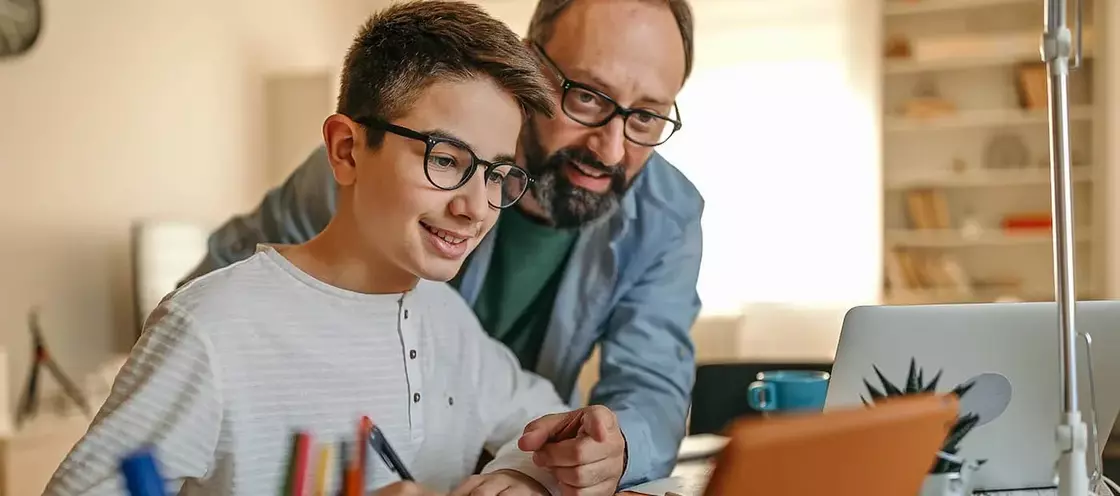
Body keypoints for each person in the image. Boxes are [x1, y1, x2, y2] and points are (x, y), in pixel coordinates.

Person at [44, 2, 626, 495]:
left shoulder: (445, 319)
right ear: (347, 150)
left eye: (497, 175)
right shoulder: (212, 328)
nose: (475, 207)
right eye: (446, 160)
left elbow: (554, 426)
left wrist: (525, 474)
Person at [186, 0, 701, 487]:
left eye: (646, 117)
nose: (611, 148)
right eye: (587, 96)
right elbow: (223, 296)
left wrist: (595, 456)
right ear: (530, 63)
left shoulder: (667, 216)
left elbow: (649, 388)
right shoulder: (372, 165)